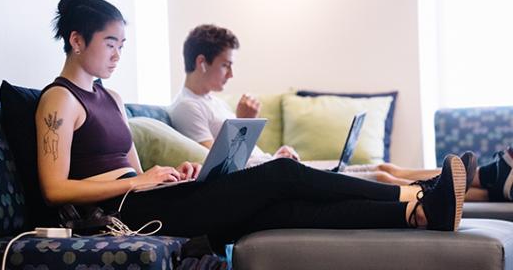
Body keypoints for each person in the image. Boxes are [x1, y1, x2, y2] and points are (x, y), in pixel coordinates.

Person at [34, 0, 467, 251]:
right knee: (280, 173)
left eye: (121, 45)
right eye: (110, 43)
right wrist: (137, 182)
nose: (116, 54)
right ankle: (414, 191)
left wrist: (168, 176)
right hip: (123, 215)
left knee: (285, 210)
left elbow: (132, 167)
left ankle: (421, 212)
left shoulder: (111, 96)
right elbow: (55, 190)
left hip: (151, 200)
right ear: (76, 41)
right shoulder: (59, 101)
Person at [168, 24, 513, 202]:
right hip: (267, 178)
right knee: (382, 177)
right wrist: (242, 122)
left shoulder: (215, 100)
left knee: (383, 167)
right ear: (202, 62)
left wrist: (278, 153)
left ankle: (486, 184)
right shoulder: (187, 107)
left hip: (275, 166)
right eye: (226, 66)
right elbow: (218, 169)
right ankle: (488, 178)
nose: (231, 75)